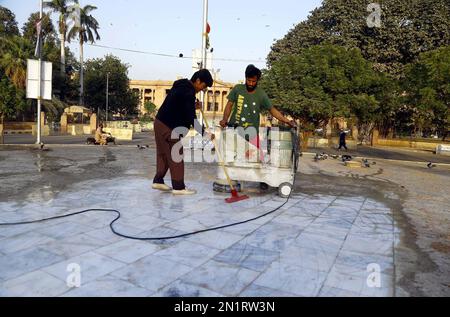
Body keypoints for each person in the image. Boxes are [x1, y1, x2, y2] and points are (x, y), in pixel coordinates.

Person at [152, 69, 213, 195]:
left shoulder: (181, 86)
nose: (202, 89)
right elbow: (191, 119)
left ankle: (158, 180)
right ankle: (179, 187)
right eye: (203, 86)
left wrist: (192, 106)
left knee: (164, 154)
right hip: (169, 126)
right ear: (197, 80)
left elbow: (180, 105)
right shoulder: (188, 93)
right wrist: (205, 134)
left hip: (159, 123)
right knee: (176, 155)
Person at [219, 64, 295, 161]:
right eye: (248, 80)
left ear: (257, 81)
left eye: (253, 81)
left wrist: (287, 121)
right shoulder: (237, 89)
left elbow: (272, 110)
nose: (250, 83)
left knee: (257, 161)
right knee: (232, 159)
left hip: (252, 134)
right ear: (245, 78)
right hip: (235, 131)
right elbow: (229, 105)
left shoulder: (261, 94)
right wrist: (225, 119)